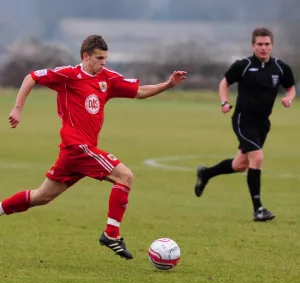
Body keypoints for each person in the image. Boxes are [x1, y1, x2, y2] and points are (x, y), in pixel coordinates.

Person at [0, 35, 187, 260]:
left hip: (75, 154)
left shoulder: (107, 78)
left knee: (41, 197)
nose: (103, 63)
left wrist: (168, 84)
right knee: (125, 177)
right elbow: (31, 77)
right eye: (99, 58)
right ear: (85, 56)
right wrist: (17, 108)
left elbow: (139, 91)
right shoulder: (68, 75)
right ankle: (111, 235)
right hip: (77, 147)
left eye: (105, 59)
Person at [194, 28, 296, 222]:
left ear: (271, 45)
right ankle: (258, 209)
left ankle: (206, 173)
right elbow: (224, 83)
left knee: (240, 165)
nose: (263, 48)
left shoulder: (281, 68)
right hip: (243, 120)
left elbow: (290, 88)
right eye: (259, 44)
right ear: (253, 45)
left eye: (267, 44)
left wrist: (288, 99)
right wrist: (224, 102)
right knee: (257, 157)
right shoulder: (244, 65)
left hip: (263, 124)